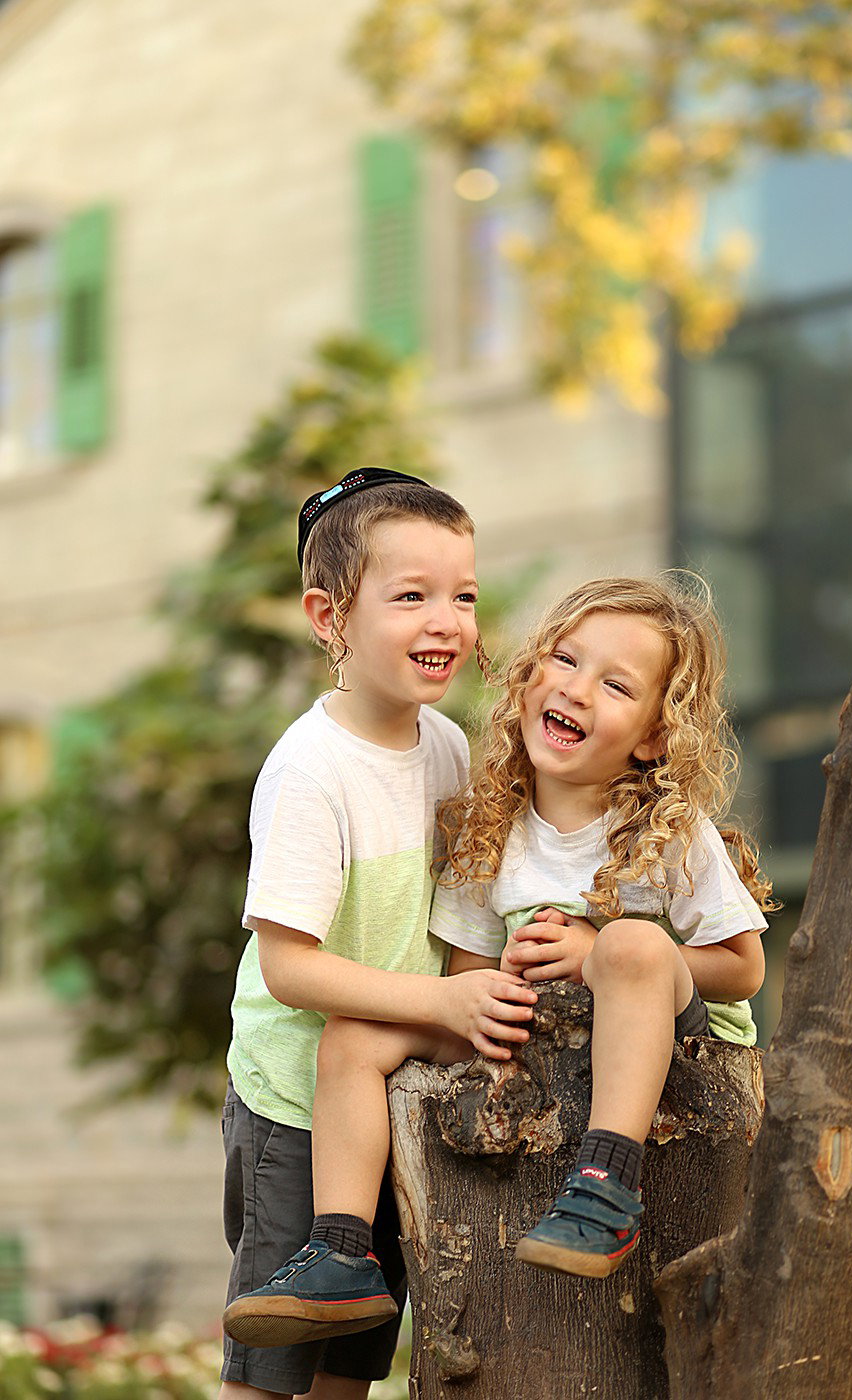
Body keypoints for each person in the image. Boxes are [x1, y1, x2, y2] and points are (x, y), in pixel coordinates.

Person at [219, 467, 537, 1400]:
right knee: (276, 1369)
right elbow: (288, 968)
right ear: (329, 618)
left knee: (350, 1362)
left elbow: (463, 907)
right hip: (294, 1108)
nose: (447, 620)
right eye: (411, 597)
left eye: (464, 596)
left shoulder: (443, 744)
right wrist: (441, 1001)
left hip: (391, 1094)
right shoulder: (311, 771)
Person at [429, 574, 774, 1278]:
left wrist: (596, 953)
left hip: (688, 1039)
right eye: (565, 659)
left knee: (630, 944)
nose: (578, 690)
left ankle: (607, 1186)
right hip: (562, 1050)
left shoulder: (668, 831)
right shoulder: (489, 832)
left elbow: (744, 967)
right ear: (528, 676)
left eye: (616, 687)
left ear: (654, 736)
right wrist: (506, 975)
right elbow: (464, 976)